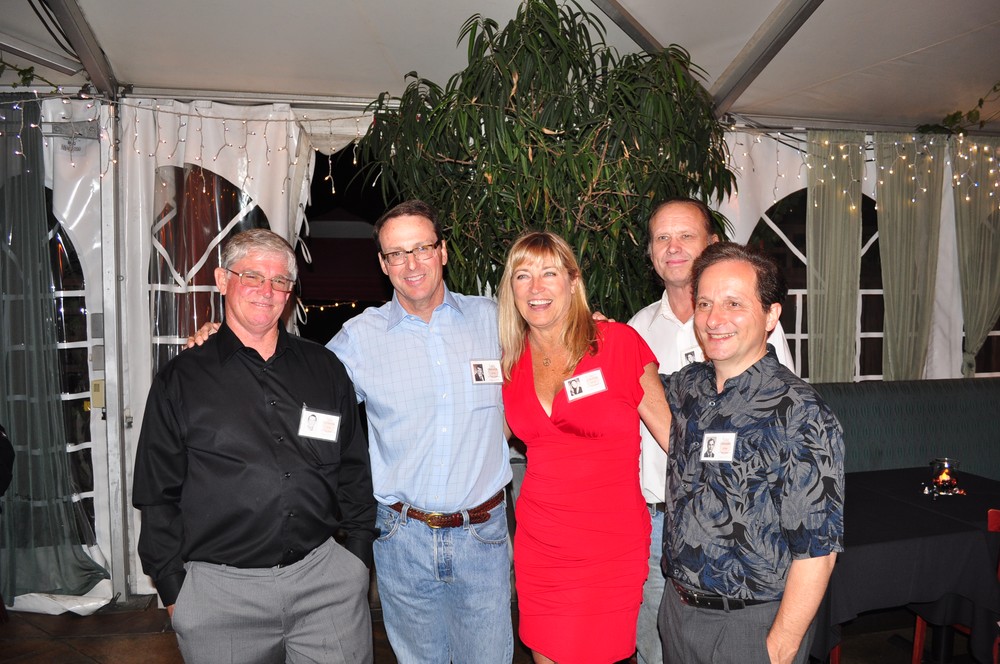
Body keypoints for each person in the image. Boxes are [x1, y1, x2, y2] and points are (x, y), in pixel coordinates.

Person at [133, 229, 377, 664]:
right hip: (221, 597)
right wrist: (174, 592)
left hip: (325, 584)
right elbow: (156, 494)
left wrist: (356, 561)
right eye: (253, 276)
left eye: (280, 281)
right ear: (222, 280)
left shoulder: (324, 367)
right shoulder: (180, 380)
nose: (267, 291)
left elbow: (354, 468)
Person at [328, 200, 514, 664]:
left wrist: (593, 326)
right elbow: (296, 389)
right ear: (383, 264)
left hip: (483, 536)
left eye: (422, 249)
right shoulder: (359, 337)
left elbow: (559, 343)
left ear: (443, 252)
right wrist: (227, 338)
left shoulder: (494, 320)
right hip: (401, 538)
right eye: (396, 254)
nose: (411, 264)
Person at [627, 197, 797, 664]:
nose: (673, 247)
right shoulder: (637, 329)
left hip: (738, 527)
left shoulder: (750, 324)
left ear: (713, 244)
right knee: (658, 649)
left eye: (686, 235)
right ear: (650, 252)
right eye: (662, 237)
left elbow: (776, 425)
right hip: (658, 525)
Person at [659, 241, 844, 664]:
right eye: (704, 303)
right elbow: (636, 377)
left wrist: (777, 650)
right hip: (678, 613)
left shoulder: (800, 413)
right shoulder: (690, 386)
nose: (714, 319)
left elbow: (818, 553)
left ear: (771, 315)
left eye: (733, 303)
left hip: (750, 625)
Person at [498, 231, 672, 664]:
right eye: (522, 275)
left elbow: (675, 440)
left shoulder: (618, 344)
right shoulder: (510, 363)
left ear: (573, 282)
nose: (536, 287)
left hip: (610, 546)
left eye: (549, 273)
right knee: (545, 652)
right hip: (541, 543)